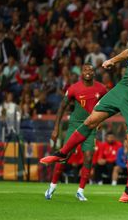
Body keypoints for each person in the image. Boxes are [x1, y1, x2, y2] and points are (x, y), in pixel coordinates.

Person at [40, 34, 128, 203]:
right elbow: (127, 53)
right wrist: (113, 60)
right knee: (90, 121)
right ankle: (61, 154)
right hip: (120, 90)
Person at [44, 63, 108, 201]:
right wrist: (56, 128)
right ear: (81, 73)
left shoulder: (101, 89)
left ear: (94, 73)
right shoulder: (74, 88)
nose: (88, 71)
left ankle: (80, 191)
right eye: (85, 69)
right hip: (75, 125)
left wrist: (101, 119)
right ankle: (52, 186)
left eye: (91, 69)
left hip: (91, 126)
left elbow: (108, 105)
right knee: (64, 156)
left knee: (89, 157)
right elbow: (62, 107)